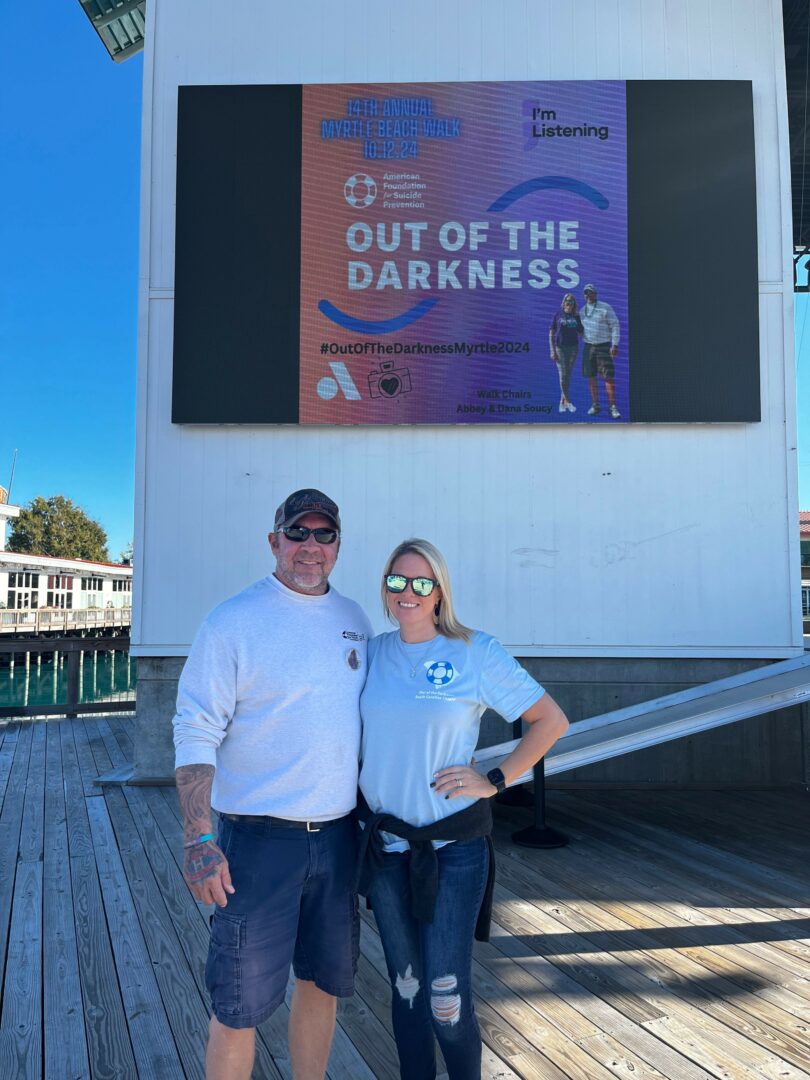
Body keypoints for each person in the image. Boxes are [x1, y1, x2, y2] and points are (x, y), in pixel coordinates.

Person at [172, 488, 372, 1080]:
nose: (311, 546)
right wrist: (198, 839)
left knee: (322, 984)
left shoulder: (355, 620)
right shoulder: (232, 620)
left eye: (324, 534)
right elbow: (195, 728)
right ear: (273, 540)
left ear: (338, 544)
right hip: (257, 843)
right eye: (297, 532)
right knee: (238, 1006)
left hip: (338, 838)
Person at [356, 539, 569, 1080]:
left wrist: (495, 779)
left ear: (439, 592)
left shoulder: (474, 652)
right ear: (385, 588)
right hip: (386, 849)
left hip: (452, 850)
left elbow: (550, 721)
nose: (408, 592)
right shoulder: (371, 654)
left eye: (421, 583)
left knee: (444, 996)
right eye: (397, 580)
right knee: (406, 987)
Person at [580, 283, 621, 418]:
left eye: (590, 292)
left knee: (608, 377)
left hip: (603, 346)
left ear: (595, 294)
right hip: (588, 347)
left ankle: (612, 407)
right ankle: (595, 405)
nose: (588, 295)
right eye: (586, 293)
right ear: (584, 295)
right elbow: (580, 330)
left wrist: (614, 344)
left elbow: (615, 325)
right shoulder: (582, 311)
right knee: (591, 377)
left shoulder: (605, 307)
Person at [548, 292, 583, 413]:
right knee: (563, 375)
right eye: (567, 301)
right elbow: (551, 333)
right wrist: (552, 350)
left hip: (573, 348)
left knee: (568, 375)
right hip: (560, 348)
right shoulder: (558, 314)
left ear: (574, 304)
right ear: (564, 303)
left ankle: (562, 402)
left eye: (571, 302)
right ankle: (568, 401)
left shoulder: (576, 316)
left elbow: (581, 332)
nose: (569, 304)